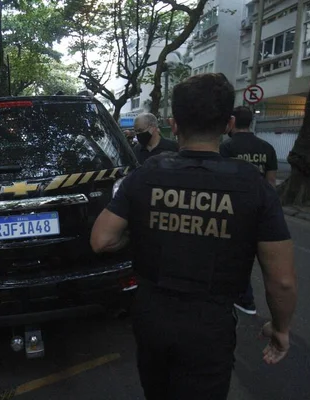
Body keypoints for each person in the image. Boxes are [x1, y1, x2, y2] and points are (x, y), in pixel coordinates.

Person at [90, 73, 297, 400]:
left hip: (151, 317)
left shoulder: (145, 174)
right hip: (209, 325)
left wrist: (143, 233)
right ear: (228, 123)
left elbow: (102, 239)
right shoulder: (254, 187)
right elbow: (281, 281)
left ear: (174, 124)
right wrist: (280, 329)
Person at [220, 105, 279, 315]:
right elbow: (271, 183)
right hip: (259, 209)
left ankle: (243, 297)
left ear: (232, 121)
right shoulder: (267, 148)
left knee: (234, 254)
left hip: (233, 208)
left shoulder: (226, 148)